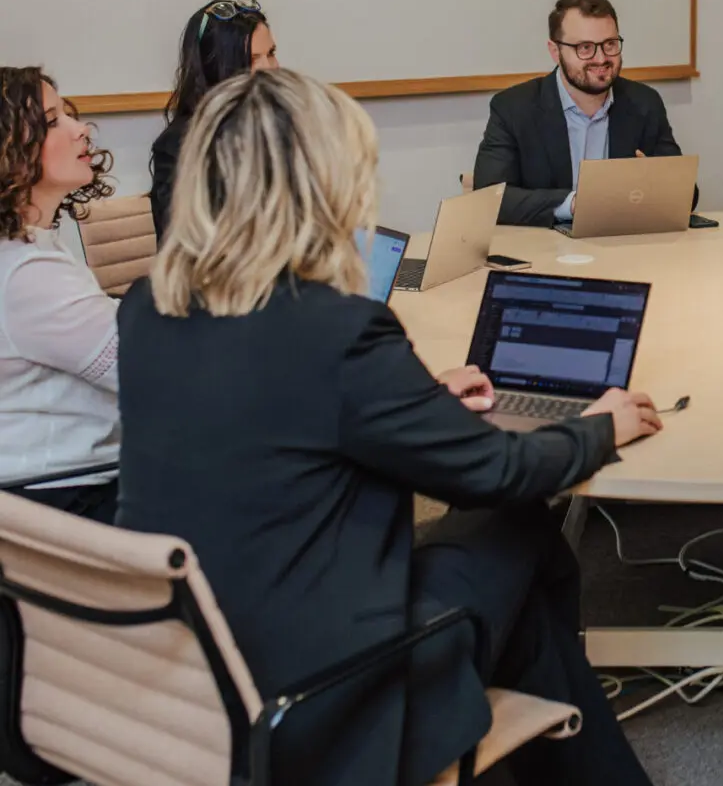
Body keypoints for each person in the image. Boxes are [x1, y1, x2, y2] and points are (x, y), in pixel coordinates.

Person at [116, 70, 660, 786]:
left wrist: (409, 397)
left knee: (518, 601)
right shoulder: (336, 331)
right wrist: (600, 427)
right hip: (315, 697)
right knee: (520, 525)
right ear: (324, 188)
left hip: (186, 665)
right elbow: (496, 471)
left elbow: (263, 413)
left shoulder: (148, 308)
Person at [0, 67, 121, 522]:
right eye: (53, 122)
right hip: (67, 503)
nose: (80, 130)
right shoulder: (27, 272)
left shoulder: (28, 247)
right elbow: (149, 371)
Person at [473, 0, 687, 227]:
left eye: (610, 44)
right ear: (555, 51)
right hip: (545, 253)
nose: (601, 58)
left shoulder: (644, 103)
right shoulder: (513, 108)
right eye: (585, 48)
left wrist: (659, 183)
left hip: (626, 248)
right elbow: (488, 198)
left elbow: (687, 193)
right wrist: (574, 204)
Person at [149, 0, 279, 238]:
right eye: (253, 59)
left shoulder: (277, 127)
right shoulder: (178, 147)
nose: (270, 68)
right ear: (219, 68)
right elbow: (185, 248)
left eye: (271, 53)